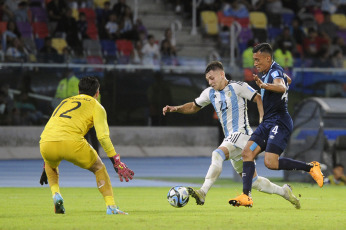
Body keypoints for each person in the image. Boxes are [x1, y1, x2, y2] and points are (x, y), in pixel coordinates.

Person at [163, 61, 301, 209]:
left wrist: (262, 118)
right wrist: (176, 108)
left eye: (212, 78)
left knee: (217, 154)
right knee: (253, 181)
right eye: (208, 79)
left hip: (243, 135)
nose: (210, 82)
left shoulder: (237, 87)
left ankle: (203, 192)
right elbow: (193, 106)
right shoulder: (210, 93)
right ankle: (284, 191)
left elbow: (258, 98)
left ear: (221, 74)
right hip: (232, 139)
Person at [228, 43, 324, 208]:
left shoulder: (273, 71)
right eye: (254, 60)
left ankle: (311, 167)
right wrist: (283, 84)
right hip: (268, 123)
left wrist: (265, 86)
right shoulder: (271, 71)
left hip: (279, 122)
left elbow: (280, 86)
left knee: (270, 162)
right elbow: (287, 80)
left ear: (267, 58)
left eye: (258, 60)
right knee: (247, 153)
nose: (255, 63)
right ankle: (246, 196)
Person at [39, 76, 134, 215]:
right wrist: (115, 160)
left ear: (78, 91)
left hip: (46, 143)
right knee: (99, 168)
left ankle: (56, 195)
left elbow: (54, 128)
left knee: (51, 166)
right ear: (97, 93)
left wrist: (46, 163)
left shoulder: (64, 102)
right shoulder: (96, 106)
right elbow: (102, 136)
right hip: (72, 143)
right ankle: (111, 207)